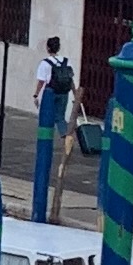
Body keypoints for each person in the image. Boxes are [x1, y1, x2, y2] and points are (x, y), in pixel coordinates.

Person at [33, 40, 75, 210]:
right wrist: (74, 92)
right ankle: (66, 137)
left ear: (48, 48)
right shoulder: (66, 61)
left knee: (47, 116)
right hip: (63, 92)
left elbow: (42, 81)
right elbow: (71, 78)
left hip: (50, 92)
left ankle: (55, 136)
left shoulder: (45, 63)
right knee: (60, 116)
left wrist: (35, 94)